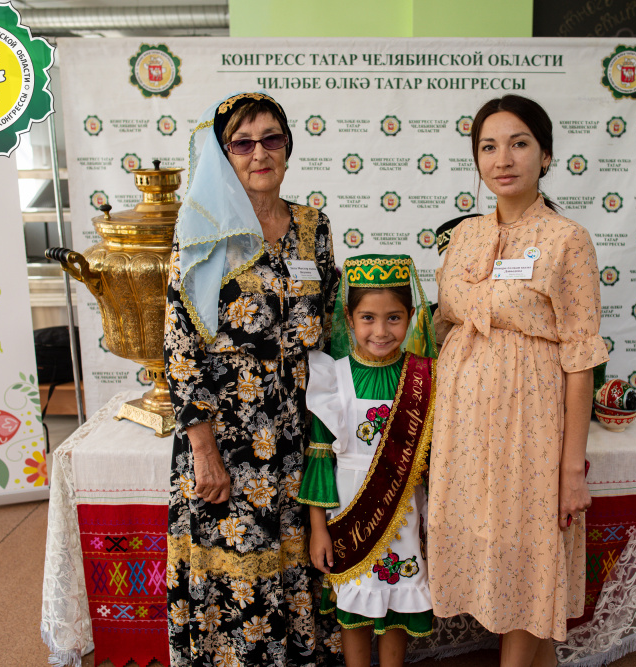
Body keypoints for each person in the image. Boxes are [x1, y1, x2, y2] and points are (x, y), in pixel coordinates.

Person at [427, 94, 610, 667]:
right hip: (463, 428)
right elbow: (444, 322)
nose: (502, 159)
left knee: (530, 550)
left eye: (519, 143)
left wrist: (571, 469)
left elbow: (580, 356)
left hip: (530, 423)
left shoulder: (567, 239)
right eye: (488, 147)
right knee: (489, 548)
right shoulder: (464, 235)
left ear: (546, 155)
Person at [164, 91, 340, 667]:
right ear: (223, 155)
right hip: (227, 439)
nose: (259, 153)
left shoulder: (314, 227)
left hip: (298, 434)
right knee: (236, 586)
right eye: (242, 143)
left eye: (271, 139)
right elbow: (181, 349)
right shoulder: (201, 232)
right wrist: (204, 451)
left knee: (298, 568)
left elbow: (333, 326)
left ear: (288, 147)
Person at [298, 254, 437, 667]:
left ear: (411, 316)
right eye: (368, 318)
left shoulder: (425, 376)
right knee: (353, 601)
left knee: (398, 599)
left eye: (394, 318)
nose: (381, 331)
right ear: (349, 318)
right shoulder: (332, 377)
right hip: (348, 511)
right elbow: (319, 461)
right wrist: (318, 529)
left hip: (405, 510)